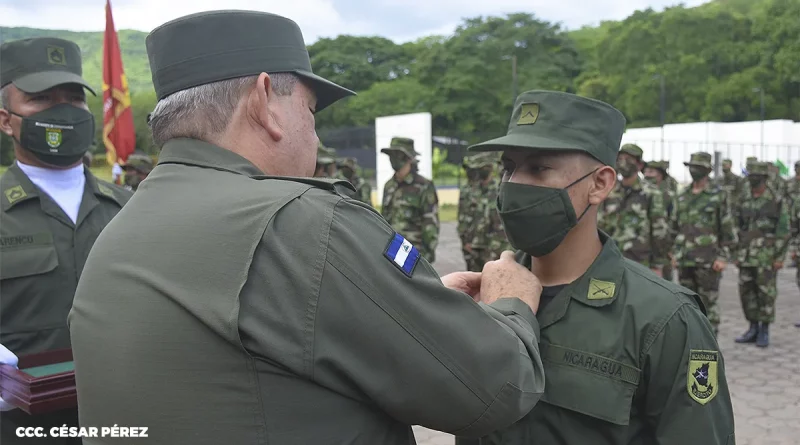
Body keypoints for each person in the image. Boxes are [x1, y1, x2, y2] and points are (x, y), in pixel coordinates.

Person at [68, 11, 547, 445]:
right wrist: (511, 306)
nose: (315, 134)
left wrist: (397, 308)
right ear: (263, 101)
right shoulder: (304, 221)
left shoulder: (122, 221)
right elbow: (498, 387)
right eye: (311, 110)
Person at [466, 90, 734, 444]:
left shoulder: (664, 319)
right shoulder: (482, 299)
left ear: (600, 184)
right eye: (509, 168)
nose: (513, 186)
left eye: (538, 168)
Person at [0, 37, 131, 444]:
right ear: (6, 120)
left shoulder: (133, 208)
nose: (62, 111)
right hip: (18, 428)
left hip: (125, 419)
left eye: (74, 98)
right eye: (41, 99)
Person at [672, 152, 738, 336]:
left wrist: (723, 257)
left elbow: (727, 230)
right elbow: (675, 227)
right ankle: (691, 338)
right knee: (686, 302)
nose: (694, 171)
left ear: (707, 171)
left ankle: (710, 339)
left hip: (708, 260)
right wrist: (674, 253)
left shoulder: (718, 196)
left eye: (698, 168)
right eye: (691, 167)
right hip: (685, 259)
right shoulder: (682, 196)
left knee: (709, 303)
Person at [733, 161, 789, 346]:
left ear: (764, 178)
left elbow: (783, 230)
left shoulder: (776, 199)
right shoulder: (743, 198)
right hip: (746, 254)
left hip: (767, 255)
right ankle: (752, 327)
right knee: (746, 292)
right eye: (751, 175)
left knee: (766, 293)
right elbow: (735, 225)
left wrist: (779, 257)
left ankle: (764, 329)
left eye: (756, 176)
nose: (752, 179)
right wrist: (735, 253)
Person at [598, 143, 670, 275]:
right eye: (620, 159)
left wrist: (658, 264)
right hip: (609, 260)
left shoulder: (651, 193)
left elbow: (659, 230)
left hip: (639, 263)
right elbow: (599, 224)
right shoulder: (609, 191)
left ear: (640, 165)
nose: (623, 162)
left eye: (629, 159)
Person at [380, 137, 439, 263]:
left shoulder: (424, 185)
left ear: (408, 158)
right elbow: (383, 220)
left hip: (415, 254)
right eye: (391, 155)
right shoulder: (389, 186)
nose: (393, 159)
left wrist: (427, 257)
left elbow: (430, 222)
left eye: (397, 155)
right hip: (390, 254)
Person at [643, 160, 677, 281]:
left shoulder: (668, 195)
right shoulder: (641, 193)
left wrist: (671, 248)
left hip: (663, 245)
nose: (647, 174)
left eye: (651, 172)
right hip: (643, 246)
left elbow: (673, 220)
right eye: (645, 171)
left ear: (660, 175)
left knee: (664, 281)